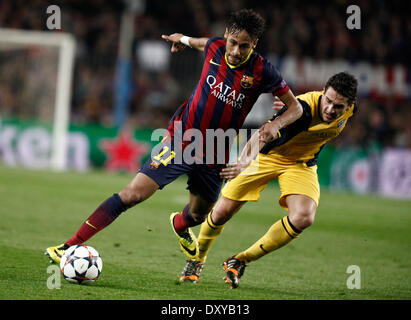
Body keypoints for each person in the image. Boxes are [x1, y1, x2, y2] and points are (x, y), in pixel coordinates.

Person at [45, 9, 303, 265]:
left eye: (244, 47)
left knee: (199, 214)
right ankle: (69, 245)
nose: (235, 51)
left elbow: (296, 108)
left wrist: (275, 125)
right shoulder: (216, 46)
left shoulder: (262, 70)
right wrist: (181, 40)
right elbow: (200, 43)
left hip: (215, 150)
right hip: (182, 137)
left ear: (254, 44)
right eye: (233, 43)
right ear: (226, 36)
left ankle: (180, 225)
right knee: (132, 194)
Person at [179, 71, 358, 288]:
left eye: (338, 106)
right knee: (221, 213)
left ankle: (240, 260)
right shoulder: (302, 112)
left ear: (350, 105)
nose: (331, 109)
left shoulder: (348, 111)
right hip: (267, 157)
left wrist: (288, 104)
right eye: (328, 101)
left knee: (304, 217)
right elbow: (264, 132)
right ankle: (196, 260)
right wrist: (243, 161)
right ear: (322, 93)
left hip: (301, 164)